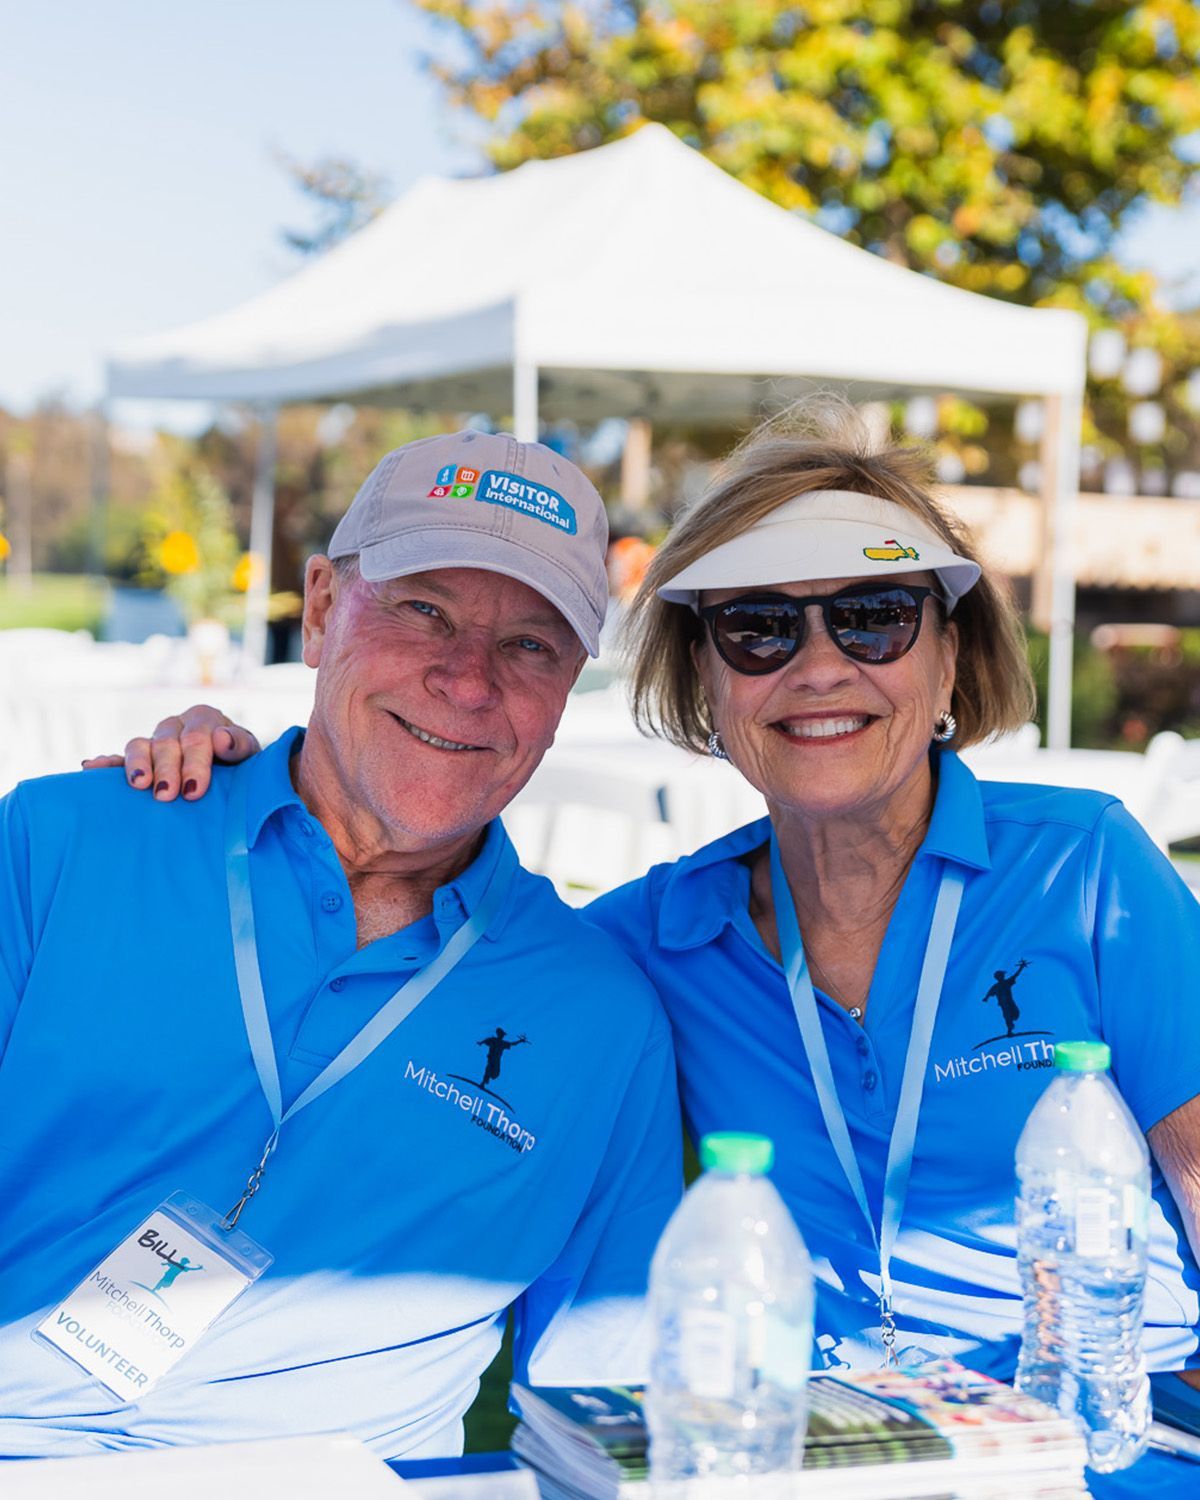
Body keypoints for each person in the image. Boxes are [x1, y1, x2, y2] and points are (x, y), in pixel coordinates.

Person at [144, 405, 1200, 1386]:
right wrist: (230, 786)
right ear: (706, 680)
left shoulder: (1085, 873)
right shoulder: (647, 945)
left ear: (949, 653)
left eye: (874, 617)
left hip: (1117, 1421)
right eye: (758, 629)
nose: (819, 668)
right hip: (825, 1444)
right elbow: (403, 948)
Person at [0, 430, 681, 1461]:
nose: (466, 680)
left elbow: (608, 1400)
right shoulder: (64, 843)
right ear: (321, 611)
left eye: (530, 645)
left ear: (572, 683)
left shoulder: (601, 1017)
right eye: (423, 611)